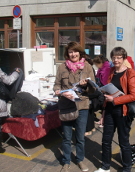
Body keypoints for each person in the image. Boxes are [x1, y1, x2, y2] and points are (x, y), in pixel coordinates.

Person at [94, 47, 135, 172]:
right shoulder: (112, 71)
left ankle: (127, 167)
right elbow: (108, 89)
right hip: (109, 110)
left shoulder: (130, 73)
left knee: (123, 141)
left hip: (123, 111)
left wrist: (115, 100)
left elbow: (134, 95)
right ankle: (105, 166)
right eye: (114, 57)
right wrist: (103, 113)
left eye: (119, 57)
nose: (116, 60)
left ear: (124, 58)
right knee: (106, 140)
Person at [53, 42, 95, 172]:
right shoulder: (62, 67)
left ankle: (80, 160)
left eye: (75, 51)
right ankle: (66, 161)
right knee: (66, 137)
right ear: (67, 54)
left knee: (80, 137)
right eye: (70, 52)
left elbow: (93, 89)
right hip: (66, 105)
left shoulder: (87, 67)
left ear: (80, 52)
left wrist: (85, 86)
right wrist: (58, 91)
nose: (73, 54)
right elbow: (56, 85)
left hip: (82, 105)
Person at [93, 55, 111, 128]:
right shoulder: (102, 68)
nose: (96, 66)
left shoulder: (106, 69)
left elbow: (105, 81)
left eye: (96, 65)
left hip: (106, 90)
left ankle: (104, 121)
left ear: (100, 63)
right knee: (104, 107)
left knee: (105, 107)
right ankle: (102, 120)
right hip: (103, 89)